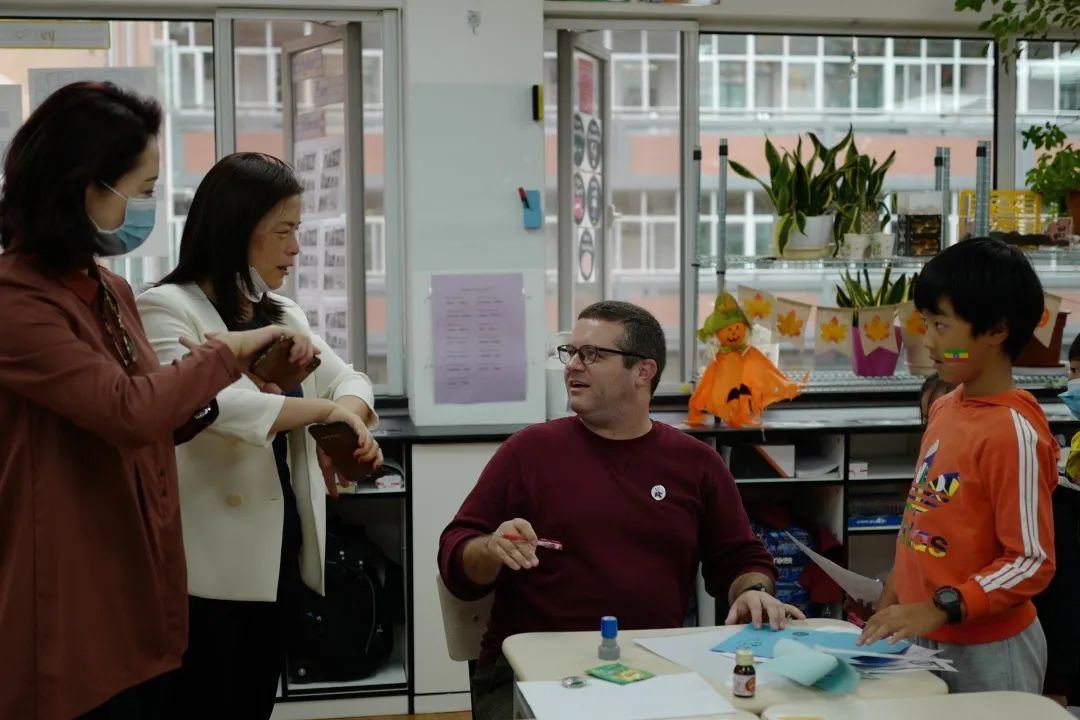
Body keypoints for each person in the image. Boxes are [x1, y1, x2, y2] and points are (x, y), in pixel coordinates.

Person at [0, 82, 315, 720]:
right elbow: (128, 409)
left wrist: (238, 380)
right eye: (141, 190)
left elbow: (160, 417)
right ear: (83, 186)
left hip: (139, 578)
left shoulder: (109, 290)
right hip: (63, 588)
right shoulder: (17, 303)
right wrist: (227, 355)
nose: (146, 207)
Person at [438, 300, 802, 720]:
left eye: (592, 354)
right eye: (571, 352)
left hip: (653, 669)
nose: (573, 366)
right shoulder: (528, 452)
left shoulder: (696, 464)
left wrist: (755, 592)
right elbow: (456, 556)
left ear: (643, 371)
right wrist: (490, 549)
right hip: (533, 672)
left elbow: (740, 560)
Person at [136, 152, 381, 719]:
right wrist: (325, 410)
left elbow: (350, 379)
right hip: (204, 568)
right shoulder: (165, 309)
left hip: (278, 554)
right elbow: (217, 406)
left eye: (298, 230)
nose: (295, 248)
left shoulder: (282, 313)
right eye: (283, 231)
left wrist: (343, 417)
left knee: (253, 704)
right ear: (237, 230)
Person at [858, 237, 1057, 694]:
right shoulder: (945, 408)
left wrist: (941, 606)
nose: (928, 340)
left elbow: (1030, 561)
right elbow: (924, 513)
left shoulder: (1011, 432)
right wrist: (895, 589)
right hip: (922, 632)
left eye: (942, 326)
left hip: (989, 650)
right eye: (926, 323)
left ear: (996, 330)